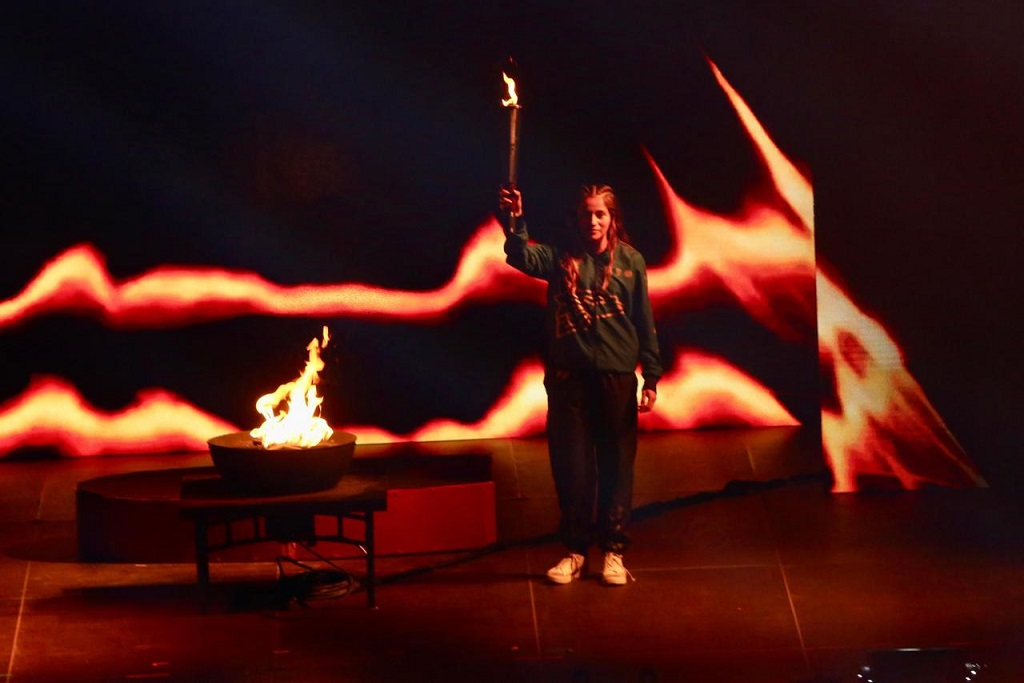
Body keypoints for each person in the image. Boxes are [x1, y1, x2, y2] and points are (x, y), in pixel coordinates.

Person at [498, 183, 662, 586]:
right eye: (587, 213)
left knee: (616, 468)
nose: (593, 221)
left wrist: (652, 375)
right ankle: (574, 552)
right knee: (572, 469)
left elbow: (643, 319)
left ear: (611, 218)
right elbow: (519, 255)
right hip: (568, 381)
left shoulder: (631, 261)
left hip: (616, 380)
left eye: (600, 214)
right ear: (578, 217)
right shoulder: (560, 257)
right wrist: (515, 218)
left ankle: (613, 552)